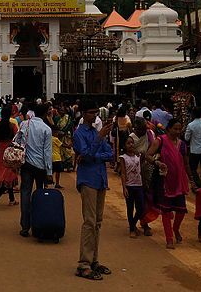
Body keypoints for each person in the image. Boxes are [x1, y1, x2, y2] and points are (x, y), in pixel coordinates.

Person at [73, 100, 114, 280]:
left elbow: (109, 154)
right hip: (88, 180)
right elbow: (86, 155)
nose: (94, 115)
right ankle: (83, 263)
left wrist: (93, 152)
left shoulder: (97, 133)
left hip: (99, 179)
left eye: (95, 112)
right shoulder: (79, 134)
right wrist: (97, 145)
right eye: (90, 112)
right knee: (89, 221)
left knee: (97, 221)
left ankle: (93, 260)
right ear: (83, 114)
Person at [145, 118, 196, 249]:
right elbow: (148, 155)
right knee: (166, 211)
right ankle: (169, 238)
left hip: (179, 182)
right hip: (164, 182)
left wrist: (191, 179)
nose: (178, 131)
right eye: (175, 129)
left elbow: (186, 163)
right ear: (168, 129)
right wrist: (157, 163)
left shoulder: (182, 144)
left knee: (181, 211)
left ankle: (176, 229)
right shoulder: (160, 141)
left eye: (180, 129)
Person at [15, 102, 53, 238]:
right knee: (40, 194)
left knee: (25, 193)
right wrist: (49, 172)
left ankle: (25, 226)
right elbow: (47, 152)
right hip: (40, 166)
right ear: (44, 114)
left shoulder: (25, 124)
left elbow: (18, 141)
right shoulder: (46, 129)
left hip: (26, 164)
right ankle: (39, 224)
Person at [129, 116, 156, 236]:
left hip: (147, 170)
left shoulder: (149, 134)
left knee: (145, 198)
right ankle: (133, 225)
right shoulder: (131, 139)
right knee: (134, 200)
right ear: (136, 129)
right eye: (140, 130)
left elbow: (153, 149)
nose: (143, 132)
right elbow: (127, 153)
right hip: (133, 172)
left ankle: (144, 222)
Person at [0, 104, 18, 209]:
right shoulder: (12, 126)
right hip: (10, 150)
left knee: (3, 173)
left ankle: (12, 199)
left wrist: (0, 143)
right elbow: (17, 138)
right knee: (10, 174)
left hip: (1, 150)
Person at [118, 136, 144, 239]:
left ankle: (133, 224)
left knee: (141, 207)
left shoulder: (139, 155)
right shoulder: (123, 157)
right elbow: (123, 173)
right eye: (128, 143)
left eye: (132, 143)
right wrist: (124, 187)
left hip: (139, 185)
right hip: (129, 185)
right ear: (124, 145)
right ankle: (132, 229)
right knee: (130, 208)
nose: (131, 145)